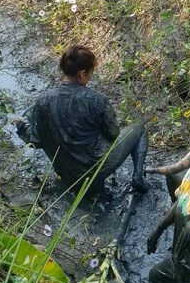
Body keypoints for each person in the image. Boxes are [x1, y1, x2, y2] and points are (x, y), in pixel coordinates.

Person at [16, 43, 148, 197]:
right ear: (83, 74)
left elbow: (36, 140)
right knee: (139, 129)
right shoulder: (97, 100)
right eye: (91, 72)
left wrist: (21, 126)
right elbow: (113, 134)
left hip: (66, 173)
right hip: (96, 167)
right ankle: (138, 176)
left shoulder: (43, 101)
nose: (91, 76)